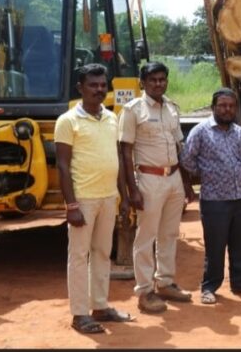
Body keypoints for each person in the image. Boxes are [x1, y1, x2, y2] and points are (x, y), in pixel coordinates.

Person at [55, 63, 134, 333]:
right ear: (80, 88)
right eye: (93, 85)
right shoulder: (67, 121)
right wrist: (72, 205)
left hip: (108, 197)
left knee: (102, 253)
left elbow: (118, 161)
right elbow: (63, 167)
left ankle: (100, 306)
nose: (99, 90)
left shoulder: (111, 118)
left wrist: (123, 197)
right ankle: (79, 314)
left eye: (103, 85)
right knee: (78, 256)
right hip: (84, 200)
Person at [119, 61, 197, 313]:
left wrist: (186, 184)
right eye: (153, 80)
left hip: (173, 178)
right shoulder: (133, 110)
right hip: (148, 180)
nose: (158, 83)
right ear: (143, 82)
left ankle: (165, 282)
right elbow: (124, 152)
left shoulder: (172, 108)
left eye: (162, 79)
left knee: (169, 234)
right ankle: (144, 291)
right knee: (146, 237)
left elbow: (179, 148)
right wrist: (132, 190)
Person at [180, 88, 241, 304]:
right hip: (214, 200)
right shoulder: (201, 131)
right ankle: (209, 287)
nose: (227, 110)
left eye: (231, 106)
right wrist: (207, 171)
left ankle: (240, 282)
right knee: (215, 246)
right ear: (213, 107)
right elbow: (187, 159)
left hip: (240, 198)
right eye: (223, 105)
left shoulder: (239, 133)